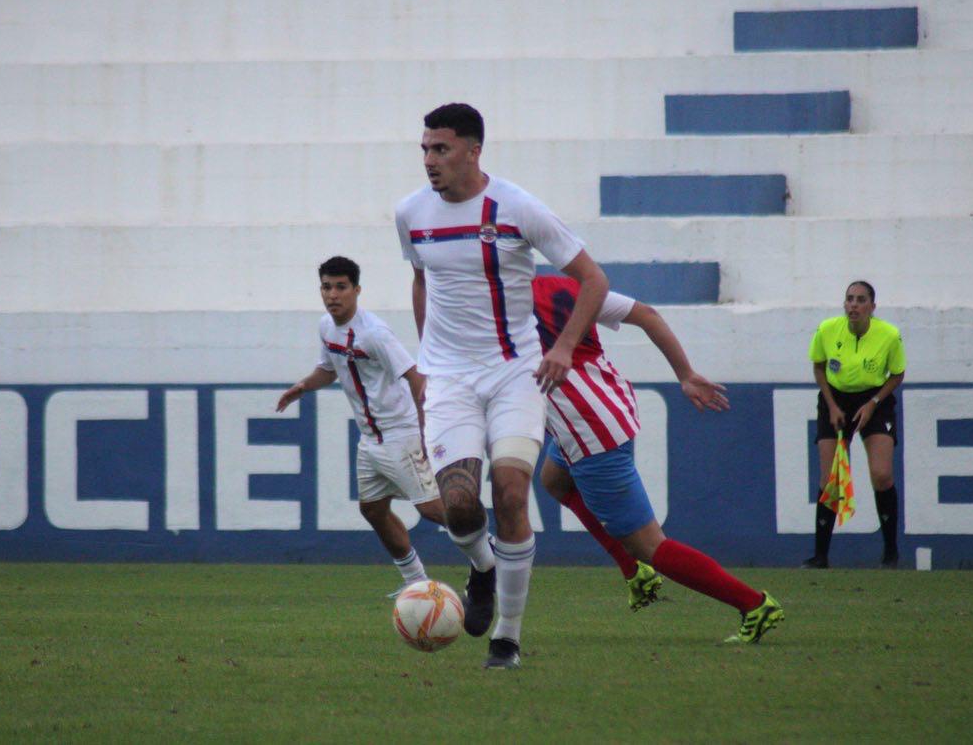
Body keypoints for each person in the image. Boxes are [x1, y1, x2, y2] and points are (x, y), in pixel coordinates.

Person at [395, 103, 608, 669]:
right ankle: (484, 570)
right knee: (461, 507)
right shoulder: (410, 214)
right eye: (424, 149)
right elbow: (421, 278)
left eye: (440, 149)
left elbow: (593, 279)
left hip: (515, 372)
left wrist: (562, 347)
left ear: (473, 150)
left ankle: (507, 640)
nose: (429, 160)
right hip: (449, 380)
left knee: (512, 492)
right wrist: (426, 360)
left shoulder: (516, 207)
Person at [533, 273, 785, 644]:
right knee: (554, 479)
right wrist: (685, 374)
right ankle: (633, 569)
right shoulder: (564, 286)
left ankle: (753, 604)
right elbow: (648, 314)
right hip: (609, 404)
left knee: (651, 545)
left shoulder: (499, 307)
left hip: (588, 430)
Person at [276, 256, 449, 597]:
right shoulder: (326, 326)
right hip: (370, 440)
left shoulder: (375, 334)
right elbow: (328, 369)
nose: (333, 295)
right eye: (327, 287)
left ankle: (493, 551)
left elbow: (417, 380)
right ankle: (416, 582)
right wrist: (302, 386)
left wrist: (428, 432)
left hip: (401, 433)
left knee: (431, 509)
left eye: (341, 287)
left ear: (357, 290)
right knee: (372, 508)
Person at [803, 280, 906, 569]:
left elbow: (897, 374)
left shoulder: (889, 335)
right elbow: (819, 367)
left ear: (872, 307)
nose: (854, 305)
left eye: (861, 300)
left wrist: (873, 403)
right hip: (834, 399)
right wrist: (833, 406)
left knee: (882, 474)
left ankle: (890, 554)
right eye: (849, 299)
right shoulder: (827, 330)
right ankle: (820, 556)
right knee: (830, 479)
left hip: (874, 399)